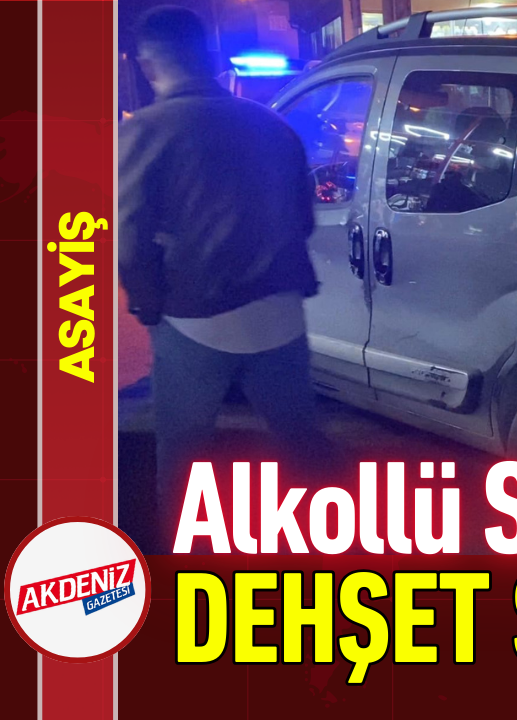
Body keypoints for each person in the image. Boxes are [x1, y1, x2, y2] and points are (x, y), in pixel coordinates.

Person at [118, 7, 328, 542]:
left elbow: (130, 236)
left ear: (146, 65)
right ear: (210, 58)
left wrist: (147, 302)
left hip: (195, 318)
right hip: (279, 313)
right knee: (302, 444)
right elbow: (303, 218)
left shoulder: (145, 131)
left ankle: (179, 559)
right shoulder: (271, 125)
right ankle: (336, 549)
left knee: (182, 456)